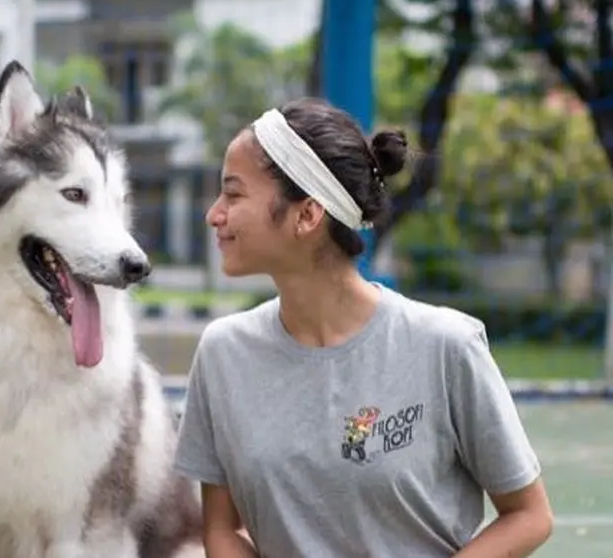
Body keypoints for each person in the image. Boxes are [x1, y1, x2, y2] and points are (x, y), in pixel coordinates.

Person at [173, 98, 554, 557]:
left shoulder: (446, 346)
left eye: (233, 194)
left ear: (307, 214)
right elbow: (221, 529)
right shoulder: (223, 353)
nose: (214, 214)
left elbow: (529, 515)